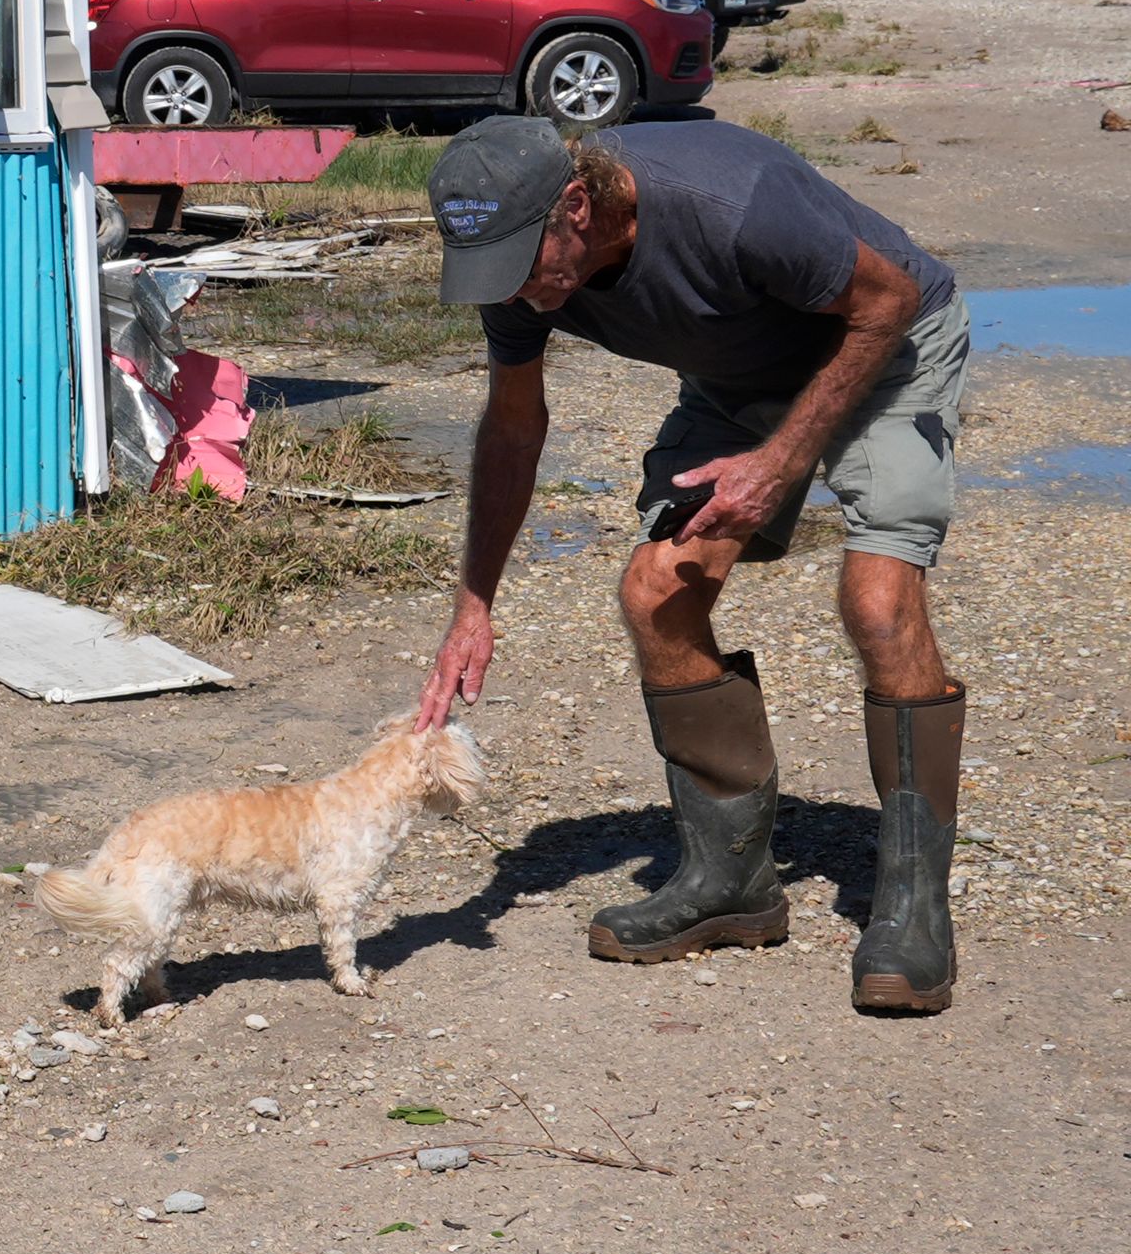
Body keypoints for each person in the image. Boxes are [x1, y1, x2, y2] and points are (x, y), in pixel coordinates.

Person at [411, 114, 969, 1014]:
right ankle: (733, 881)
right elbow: (515, 426)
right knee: (656, 592)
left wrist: (783, 462)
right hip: (739, 382)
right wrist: (473, 604)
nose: (510, 289)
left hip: (885, 347)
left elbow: (889, 301)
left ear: (578, 206)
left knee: (877, 605)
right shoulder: (513, 263)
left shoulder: (732, 204)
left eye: (523, 262)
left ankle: (913, 908)